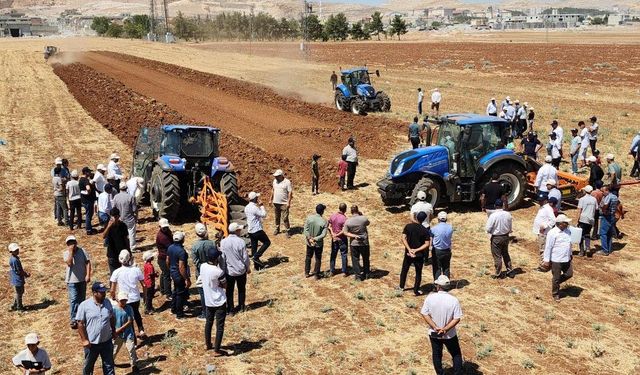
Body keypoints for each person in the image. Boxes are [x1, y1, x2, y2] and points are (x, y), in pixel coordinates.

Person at [420, 275, 463, 375]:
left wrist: (435, 327)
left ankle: (440, 373)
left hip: (434, 333)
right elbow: (457, 318)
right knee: (456, 354)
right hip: (450, 334)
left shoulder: (430, 298)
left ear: (438, 286)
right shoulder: (454, 300)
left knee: (437, 354)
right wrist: (445, 329)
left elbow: (424, 313)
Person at [75, 281, 115, 375]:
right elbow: (80, 323)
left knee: (109, 366)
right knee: (89, 367)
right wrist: (84, 340)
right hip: (92, 343)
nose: (104, 294)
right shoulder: (84, 305)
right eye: (101, 292)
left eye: (104, 292)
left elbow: (112, 317)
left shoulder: (107, 302)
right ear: (94, 292)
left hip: (106, 341)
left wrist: (113, 330)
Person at [110, 250, 146, 339]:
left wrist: (113, 297)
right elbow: (144, 285)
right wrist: (145, 296)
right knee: (136, 312)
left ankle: (133, 339)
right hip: (135, 297)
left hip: (124, 299)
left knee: (129, 319)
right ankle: (141, 329)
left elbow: (112, 289)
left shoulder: (116, 272)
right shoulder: (136, 270)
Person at [201, 248, 228, 356]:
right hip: (219, 301)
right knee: (220, 326)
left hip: (208, 300)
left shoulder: (203, 266)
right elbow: (225, 285)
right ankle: (217, 349)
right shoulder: (218, 271)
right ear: (216, 258)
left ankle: (208, 344)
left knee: (209, 322)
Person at [220, 223, 251, 315]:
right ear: (236, 231)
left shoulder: (224, 242)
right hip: (241, 270)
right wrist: (247, 267)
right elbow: (245, 257)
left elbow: (222, 258)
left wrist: (222, 270)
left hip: (230, 271)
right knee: (241, 289)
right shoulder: (241, 242)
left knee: (229, 291)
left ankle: (230, 309)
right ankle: (241, 306)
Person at [542, 215, 574, 302]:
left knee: (569, 274)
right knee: (556, 277)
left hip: (566, 258)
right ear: (560, 224)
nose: (567, 224)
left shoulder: (568, 231)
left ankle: (555, 283)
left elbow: (569, 244)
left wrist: (570, 254)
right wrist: (546, 260)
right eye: (565, 222)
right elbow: (548, 247)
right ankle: (555, 293)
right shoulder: (552, 233)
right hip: (556, 259)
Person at [399, 212, 431, 295]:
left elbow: (403, 238)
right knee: (418, 272)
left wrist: (409, 249)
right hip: (419, 255)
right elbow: (427, 244)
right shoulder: (425, 230)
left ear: (416, 217)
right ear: (424, 219)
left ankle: (401, 287)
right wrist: (416, 250)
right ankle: (416, 290)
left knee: (404, 270)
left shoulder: (408, 226)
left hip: (408, 253)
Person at [64, 235, 91, 330]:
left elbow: (87, 262)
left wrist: (88, 275)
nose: (73, 245)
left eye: (74, 242)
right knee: (74, 300)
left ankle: (81, 317)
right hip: (71, 281)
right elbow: (69, 263)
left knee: (81, 300)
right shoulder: (66, 253)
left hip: (82, 279)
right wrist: (71, 252)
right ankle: (73, 319)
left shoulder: (83, 251)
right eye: (70, 243)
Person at [192, 222, 216, 321]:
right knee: (212, 290)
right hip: (212, 270)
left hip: (200, 272)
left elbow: (195, 260)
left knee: (203, 293)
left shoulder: (195, 246)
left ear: (196, 233)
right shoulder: (212, 243)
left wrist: (201, 267)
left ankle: (205, 313)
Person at [485, 199, 514, 279]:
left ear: (495, 206)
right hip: (506, 236)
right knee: (505, 253)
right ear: (503, 205)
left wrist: (491, 232)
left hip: (496, 237)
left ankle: (498, 273)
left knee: (497, 256)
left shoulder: (493, 215)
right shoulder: (508, 214)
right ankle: (510, 270)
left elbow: (488, 228)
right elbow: (510, 226)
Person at [342, 205, 370, 281]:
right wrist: (361, 215)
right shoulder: (363, 219)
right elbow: (368, 223)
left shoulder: (348, 221)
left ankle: (358, 276)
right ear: (358, 210)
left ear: (351, 211)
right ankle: (366, 273)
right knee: (366, 258)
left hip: (354, 243)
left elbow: (345, 232)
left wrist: (354, 235)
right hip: (364, 242)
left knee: (355, 260)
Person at [112, 291, 138, 371]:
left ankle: (134, 365)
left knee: (131, 349)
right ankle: (110, 363)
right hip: (118, 335)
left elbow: (130, 321)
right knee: (114, 350)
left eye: (125, 300)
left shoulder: (129, 308)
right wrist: (114, 332)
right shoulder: (114, 309)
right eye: (122, 300)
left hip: (127, 333)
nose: (123, 302)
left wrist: (118, 330)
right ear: (118, 300)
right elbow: (112, 321)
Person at [168, 231, 191, 319]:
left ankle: (173, 309)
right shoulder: (182, 252)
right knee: (180, 294)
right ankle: (179, 314)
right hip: (179, 274)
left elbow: (167, 260)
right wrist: (187, 279)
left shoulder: (170, 248)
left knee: (175, 291)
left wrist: (171, 269)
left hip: (173, 272)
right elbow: (181, 267)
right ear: (182, 240)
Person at [244, 192, 270, 270]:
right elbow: (264, 215)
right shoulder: (254, 208)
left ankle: (256, 267)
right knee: (267, 242)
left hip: (250, 230)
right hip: (257, 230)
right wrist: (261, 205)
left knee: (254, 247)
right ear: (255, 199)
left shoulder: (247, 207)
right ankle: (256, 257)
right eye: (257, 198)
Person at [303, 204, 328, 279]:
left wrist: (310, 238)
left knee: (308, 257)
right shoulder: (324, 221)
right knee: (318, 258)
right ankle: (316, 274)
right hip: (318, 244)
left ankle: (307, 272)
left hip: (309, 242)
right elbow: (323, 234)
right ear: (322, 211)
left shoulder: (309, 218)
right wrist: (315, 239)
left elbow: (305, 230)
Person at [102, 207, 130, 275]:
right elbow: (103, 236)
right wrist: (109, 226)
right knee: (113, 275)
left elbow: (126, 239)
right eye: (112, 216)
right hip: (112, 254)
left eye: (115, 216)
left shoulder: (123, 225)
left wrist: (128, 250)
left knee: (124, 274)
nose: (114, 218)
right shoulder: (108, 225)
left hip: (122, 253)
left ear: (118, 216)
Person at [112, 182, 137, 251]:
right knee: (131, 233)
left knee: (120, 233)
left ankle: (121, 247)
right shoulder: (131, 197)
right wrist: (136, 217)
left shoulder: (116, 197)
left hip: (120, 218)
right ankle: (132, 247)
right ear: (126, 188)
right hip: (129, 218)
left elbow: (113, 208)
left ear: (119, 188)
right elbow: (134, 209)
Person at [431, 211, 453, 281]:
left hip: (437, 250)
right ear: (446, 219)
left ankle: (437, 285)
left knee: (437, 268)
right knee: (446, 268)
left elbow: (431, 238)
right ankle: (446, 284)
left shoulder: (434, 228)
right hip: (447, 250)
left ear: (438, 219)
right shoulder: (450, 228)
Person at [328, 203, 349, 276]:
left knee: (333, 254)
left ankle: (332, 270)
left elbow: (329, 226)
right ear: (345, 209)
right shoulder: (344, 219)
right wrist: (337, 234)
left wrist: (333, 234)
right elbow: (344, 230)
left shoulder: (333, 216)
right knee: (344, 254)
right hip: (342, 239)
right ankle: (344, 271)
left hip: (334, 239)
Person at [8, 242, 30, 312]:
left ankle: (15, 305)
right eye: (15, 250)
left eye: (17, 250)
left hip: (16, 278)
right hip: (18, 279)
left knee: (19, 292)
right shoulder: (14, 260)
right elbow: (18, 271)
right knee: (19, 292)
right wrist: (26, 274)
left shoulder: (14, 258)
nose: (17, 251)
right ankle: (19, 307)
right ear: (11, 251)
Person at [270, 169, 292, 237]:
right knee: (277, 217)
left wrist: (288, 202)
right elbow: (273, 190)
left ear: (281, 175)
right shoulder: (274, 181)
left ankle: (288, 230)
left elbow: (290, 193)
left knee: (285, 218)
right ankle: (277, 228)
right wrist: (270, 199)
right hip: (276, 202)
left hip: (284, 203)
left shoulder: (287, 182)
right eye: (275, 176)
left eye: (277, 176)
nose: (275, 177)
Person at [576, 185, 597, 257]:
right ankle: (588, 247)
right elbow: (596, 208)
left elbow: (579, 210)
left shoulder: (582, 199)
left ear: (585, 191)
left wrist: (577, 220)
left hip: (583, 219)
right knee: (587, 233)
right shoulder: (594, 199)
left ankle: (581, 251)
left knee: (580, 235)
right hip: (591, 219)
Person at [598, 186, 618, 256]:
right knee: (609, 233)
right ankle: (609, 249)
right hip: (612, 216)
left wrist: (603, 210)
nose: (602, 193)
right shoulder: (615, 196)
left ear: (606, 190)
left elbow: (605, 205)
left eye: (603, 191)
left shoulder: (608, 197)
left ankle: (605, 250)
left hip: (607, 217)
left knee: (603, 233)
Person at [156, 218, 173, 300]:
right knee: (167, 275)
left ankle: (162, 289)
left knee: (164, 274)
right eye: (164, 228)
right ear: (160, 227)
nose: (166, 229)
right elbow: (170, 246)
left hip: (162, 257)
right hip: (164, 258)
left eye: (166, 227)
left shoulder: (166, 232)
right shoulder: (162, 237)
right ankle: (168, 293)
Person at [79, 167, 96, 235]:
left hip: (84, 200)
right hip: (88, 200)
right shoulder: (85, 180)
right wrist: (89, 192)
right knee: (89, 215)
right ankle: (89, 229)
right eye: (89, 172)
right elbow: (88, 188)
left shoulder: (81, 179)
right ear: (86, 172)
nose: (90, 173)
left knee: (88, 214)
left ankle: (89, 227)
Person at [142, 250, 157, 314]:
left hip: (146, 282)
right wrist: (155, 274)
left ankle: (148, 307)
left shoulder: (146, 265)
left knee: (148, 296)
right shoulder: (150, 266)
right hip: (150, 283)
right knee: (150, 297)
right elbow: (151, 274)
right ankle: (148, 309)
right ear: (150, 258)